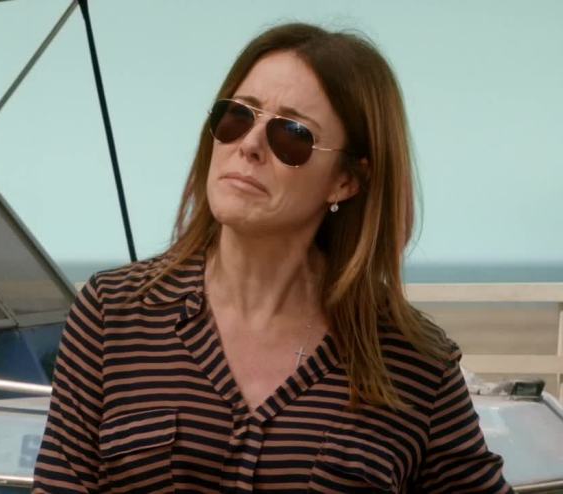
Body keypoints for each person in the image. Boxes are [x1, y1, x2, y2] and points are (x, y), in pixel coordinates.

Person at [32, 22, 512, 493]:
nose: (249, 145)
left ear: (346, 180)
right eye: (237, 116)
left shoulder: (413, 360)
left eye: (292, 135)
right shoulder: (113, 312)